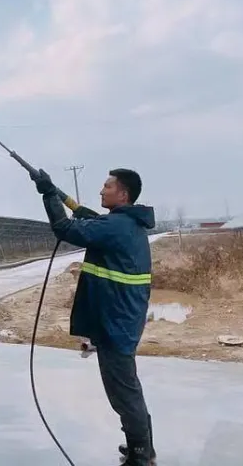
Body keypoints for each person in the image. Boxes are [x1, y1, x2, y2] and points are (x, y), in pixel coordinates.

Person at [29, 167, 157, 466]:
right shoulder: (124, 223)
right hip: (119, 318)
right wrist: (58, 193)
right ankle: (141, 445)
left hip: (116, 322)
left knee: (123, 392)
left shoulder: (117, 227)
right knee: (127, 387)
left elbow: (65, 229)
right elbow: (87, 215)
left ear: (122, 194)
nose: (101, 191)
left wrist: (47, 194)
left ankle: (141, 454)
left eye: (107, 186)